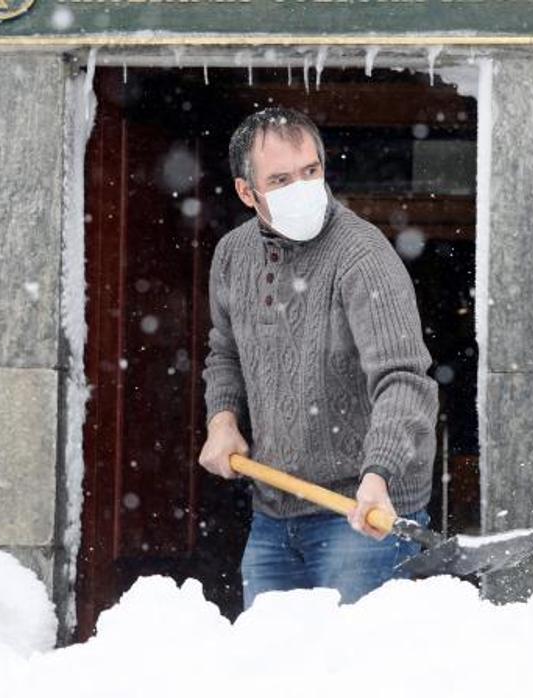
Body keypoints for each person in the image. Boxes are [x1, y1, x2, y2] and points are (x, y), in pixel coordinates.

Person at [198, 107, 439, 610]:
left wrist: (380, 475)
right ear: (248, 192)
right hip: (273, 512)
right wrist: (222, 420)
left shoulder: (361, 254)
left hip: (361, 513)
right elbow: (226, 351)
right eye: (281, 179)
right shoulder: (232, 255)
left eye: (311, 172)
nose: (302, 188)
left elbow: (403, 380)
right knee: (270, 672)